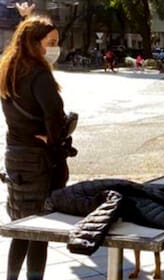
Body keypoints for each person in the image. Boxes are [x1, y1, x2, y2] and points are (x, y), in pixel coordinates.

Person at [0, 15, 77, 280]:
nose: (55, 48)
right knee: (40, 231)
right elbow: (54, 115)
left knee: (21, 227)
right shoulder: (39, 74)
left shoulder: (8, 69)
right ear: (35, 43)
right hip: (38, 162)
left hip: (14, 158)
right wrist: (54, 138)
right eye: (51, 42)